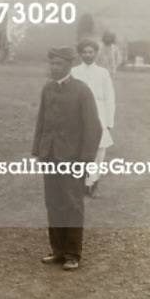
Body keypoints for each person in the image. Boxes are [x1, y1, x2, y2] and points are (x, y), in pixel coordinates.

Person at [32, 46, 102, 271]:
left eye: (58, 64)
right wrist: (39, 151)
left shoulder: (82, 91)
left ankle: (73, 253)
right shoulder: (47, 89)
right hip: (50, 156)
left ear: (69, 66)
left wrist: (85, 159)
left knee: (73, 204)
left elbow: (94, 127)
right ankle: (58, 250)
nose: (54, 67)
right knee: (53, 203)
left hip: (73, 159)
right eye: (51, 63)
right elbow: (41, 122)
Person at [71, 39, 116, 198]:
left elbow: (109, 97)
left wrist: (109, 121)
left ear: (96, 53)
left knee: (99, 150)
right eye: (84, 52)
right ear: (80, 54)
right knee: (80, 150)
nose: (88, 55)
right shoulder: (74, 72)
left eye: (91, 52)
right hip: (79, 115)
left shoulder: (103, 73)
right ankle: (82, 184)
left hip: (99, 114)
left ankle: (94, 184)